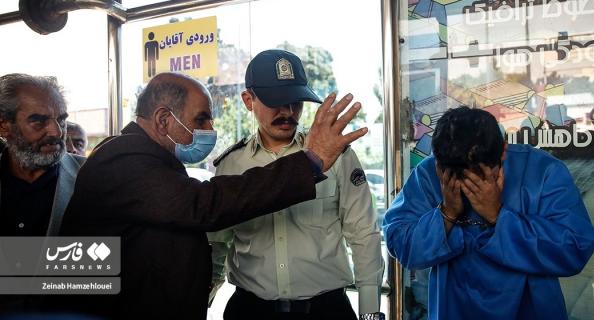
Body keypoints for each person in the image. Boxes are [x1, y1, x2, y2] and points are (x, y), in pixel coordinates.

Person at [59, 72, 367, 319]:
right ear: (164, 120)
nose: (210, 129)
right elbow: (205, 206)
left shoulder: (153, 159)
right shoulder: (123, 157)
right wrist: (311, 162)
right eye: (201, 119)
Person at [208, 49, 384, 320]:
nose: (288, 112)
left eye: (296, 102)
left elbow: (363, 234)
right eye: (276, 102)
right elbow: (217, 244)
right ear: (248, 100)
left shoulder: (335, 156)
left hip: (326, 311)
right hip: (251, 311)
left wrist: (370, 312)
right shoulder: (231, 165)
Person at [383, 106, 594, 320]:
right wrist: (447, 213)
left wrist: (497, 214)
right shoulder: (429, 173)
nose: (470, 186)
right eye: (458, 177)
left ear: (504, 150)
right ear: (439, 164)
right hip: (454, 308)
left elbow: (575, 249)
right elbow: (403, 246)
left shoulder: (544, 171)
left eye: (480, 175)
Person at [0, 73, 85, 313]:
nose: (56, 132)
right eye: (39, 121)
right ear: (4, 125)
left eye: (61, 120)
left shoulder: (92, 178)